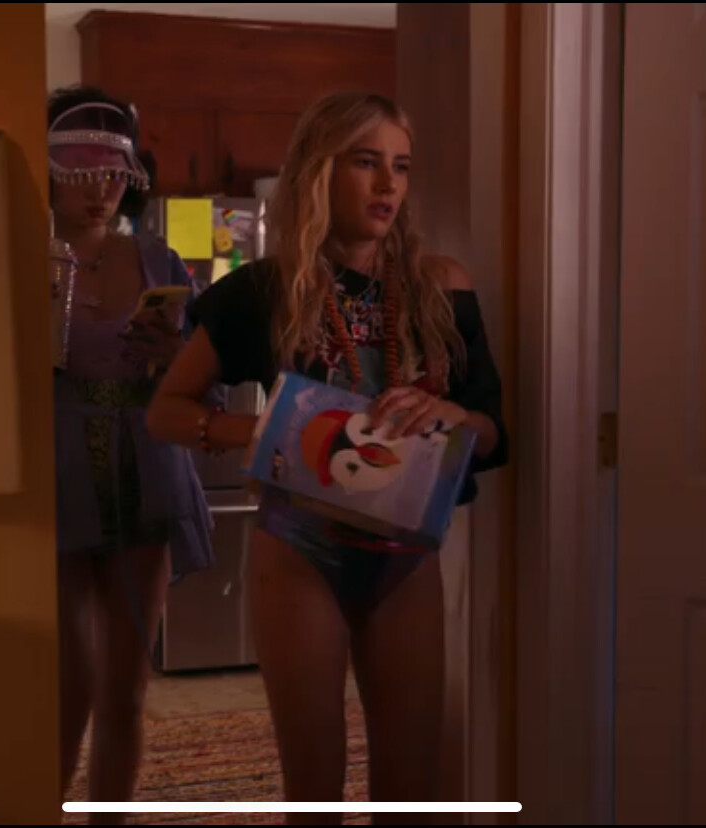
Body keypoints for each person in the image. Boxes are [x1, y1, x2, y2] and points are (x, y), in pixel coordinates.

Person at [144, 90, 509, 824]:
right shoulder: (262, 290)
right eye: (366, 162)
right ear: (319, 168)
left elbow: (495, 430)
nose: (387, 185)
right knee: (313, 789)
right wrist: (256, 431)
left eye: (400, 166)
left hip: (407, 552)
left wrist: (453, 416)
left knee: (410, 792)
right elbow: (166, 411)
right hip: (299, 550)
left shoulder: (442, 286)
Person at [46, 85, 216, 823]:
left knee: (126, 688)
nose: (99, 192)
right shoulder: (23, 256)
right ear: (51, 175)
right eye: (81, 176)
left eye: (112, 176)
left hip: (145, 473)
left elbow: (200, 374)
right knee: (65, 684)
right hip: (56, 475)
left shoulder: (157, 258)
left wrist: (175, 354)